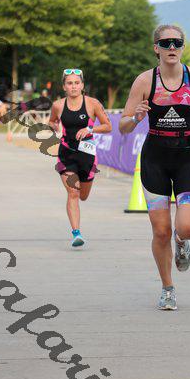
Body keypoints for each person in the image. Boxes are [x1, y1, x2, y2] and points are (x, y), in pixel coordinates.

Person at [119, 24, 190, 310]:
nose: (171, 47)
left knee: (187, 227)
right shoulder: (144, 81)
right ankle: (167, 288)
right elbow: (123, 126)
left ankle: (182, 241)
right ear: (156, 48)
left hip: (187, 158)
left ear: (183, 47)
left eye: (177, 42)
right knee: (160, 231)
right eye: (165, 43)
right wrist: (135, 118)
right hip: (155, 160)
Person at [48, 69, 112, 247]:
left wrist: (90, 129)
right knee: (73, 193)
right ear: (64, 87)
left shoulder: (92, 103)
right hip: (66, 154)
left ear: (82, 85)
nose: (73, 86)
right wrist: (53, 126)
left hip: (87, 156)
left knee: (83, 196)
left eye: (77, 83)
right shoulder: (58, 105)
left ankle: (77, 225)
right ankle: (76, 233)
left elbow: (108, 126)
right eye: (69, 83)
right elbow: (52, 121)